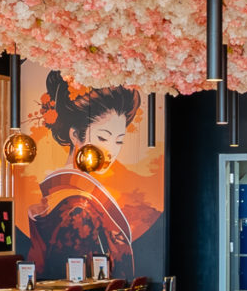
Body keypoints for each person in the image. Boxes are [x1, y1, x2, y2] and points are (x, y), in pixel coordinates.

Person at [21, 74, 152, 277]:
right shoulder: (76, 207)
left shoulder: (68, 195)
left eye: (119, 141)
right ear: (75, 135)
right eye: (103, 138)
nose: (111, 151)